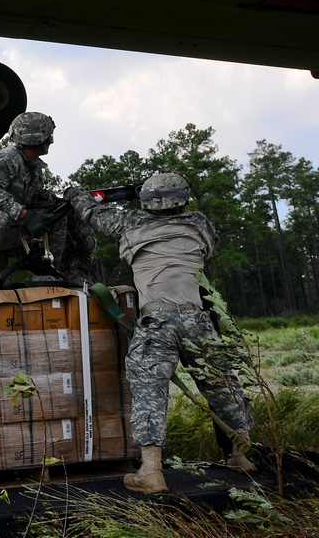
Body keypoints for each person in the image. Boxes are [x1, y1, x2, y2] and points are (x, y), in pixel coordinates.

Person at [64, 172, 256, 494]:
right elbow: (209, 246)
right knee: (223, 384)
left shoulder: (129, 224)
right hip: (198, 318)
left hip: (157, 321)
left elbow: (92, 212)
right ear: (183, 198)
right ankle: (242, 455)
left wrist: (75, 194)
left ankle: (151, 472)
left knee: (150, 393)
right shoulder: (200, 224)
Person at [0, 111, 93, 292]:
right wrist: (24, 214)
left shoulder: (32, 167)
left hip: (8, 229)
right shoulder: (7, 158)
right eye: (48, 137)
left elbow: (36, 197)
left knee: (58, 215)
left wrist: (62, 203)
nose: (50, 142)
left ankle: (51, 271)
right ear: (38, 139)